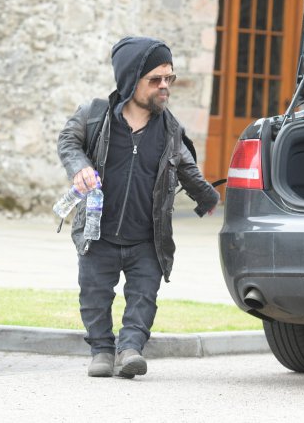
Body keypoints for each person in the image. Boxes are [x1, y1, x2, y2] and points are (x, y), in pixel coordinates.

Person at [57, 36, 220, 378]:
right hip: (98, 232)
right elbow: (68, 141)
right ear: (132, 80)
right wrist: (79, 167)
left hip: (148, 237)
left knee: (144, 297)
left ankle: (129, 349)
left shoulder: (170, 129)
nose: (165, 86)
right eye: (156, 79)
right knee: (94, 295)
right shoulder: (94, 115)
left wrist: (209, 199)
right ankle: (101, 350)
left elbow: (187, 169)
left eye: (169, 78)